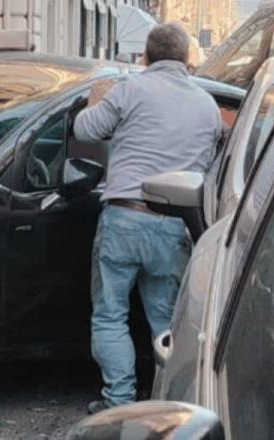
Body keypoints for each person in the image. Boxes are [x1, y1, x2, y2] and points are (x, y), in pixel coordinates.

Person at [72, 22, 223, 414]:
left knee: (110, 316)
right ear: (187, 60)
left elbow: (85, 131)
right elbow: (212, 168)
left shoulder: (130, 89)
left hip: (124, 217)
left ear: (145, 57)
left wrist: (95, 99)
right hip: (175, 224)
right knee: (168, 324)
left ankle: (118, 403)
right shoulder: (208, 106)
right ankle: (168, 406)